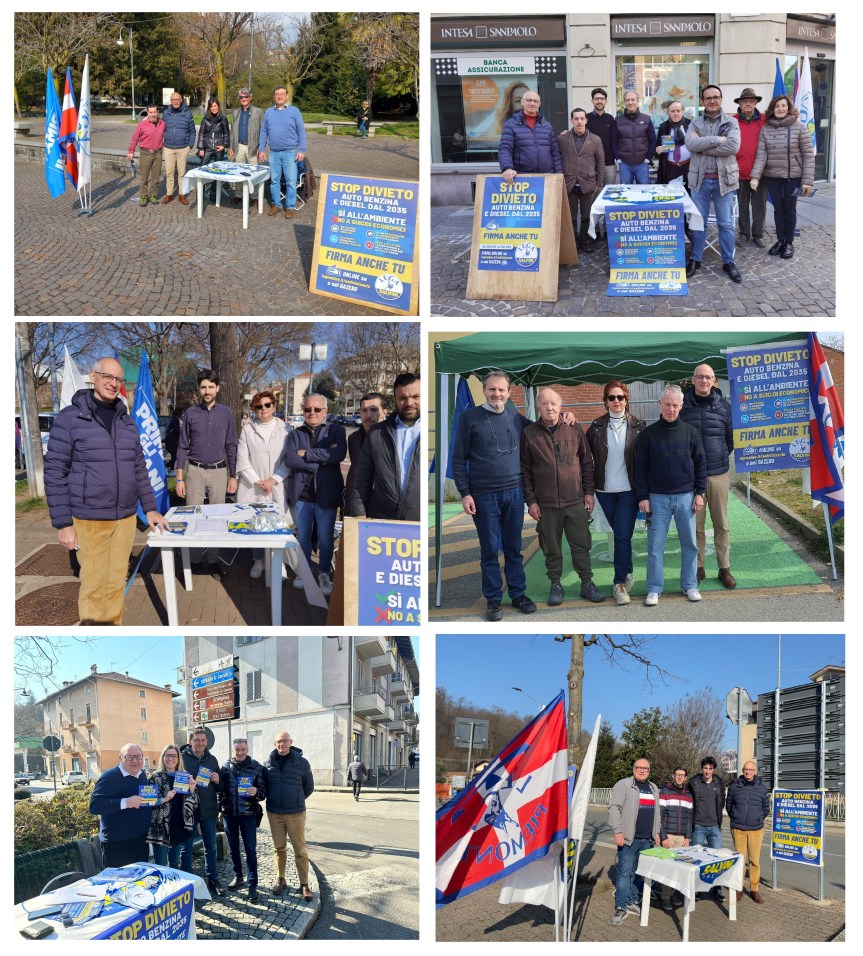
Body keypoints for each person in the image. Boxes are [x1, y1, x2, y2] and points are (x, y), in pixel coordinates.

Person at [44, 357, 169, 625]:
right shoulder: (70, 418)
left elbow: (139, 469)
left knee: (115, 583)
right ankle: (93, 630)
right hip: (89, 520)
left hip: (125, 519)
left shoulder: (127, 422)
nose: (113, 383)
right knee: (93, 586)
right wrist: (64, 524)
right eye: (107, 376)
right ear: (93, 376)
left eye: (118, 379)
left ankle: (113, 628)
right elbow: (54, 472)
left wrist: (150, 509)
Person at [452, 371, 536, 622]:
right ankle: (493, 599)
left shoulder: (516, 417)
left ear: (509, 393)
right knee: (489, 549)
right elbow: (458, 458)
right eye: (492, 389)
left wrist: (565, 416)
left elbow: (544, 429)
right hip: (483, 494)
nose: (496, 394)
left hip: (514, 492)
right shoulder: (470, 418)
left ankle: (518, 594)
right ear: (484, 391)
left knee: (514, 547)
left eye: (501, 390)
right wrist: (465, 493)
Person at [520, 387, 604, 606]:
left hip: (575, 500)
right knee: (551, 547)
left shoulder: (573, 428)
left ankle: (586, 583)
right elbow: (525, 471)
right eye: (544, 403)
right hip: (546, 504)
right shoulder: (529, 433)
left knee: (581, 544)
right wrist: (531, 501)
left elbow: (586, 463)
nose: (549, 407)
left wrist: (589, 492)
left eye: (553, 403)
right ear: (538, 407)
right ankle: (556, 584)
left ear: (560, 406)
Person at [634, 385, 707, 607]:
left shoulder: (691, 432)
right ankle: (654, 588)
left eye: (675, 405)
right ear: (660, 404)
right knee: (655, 547)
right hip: (657, 498)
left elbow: (700, 464)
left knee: (690, 544)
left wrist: (700, 493)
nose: (671, 409)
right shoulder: (648, 435)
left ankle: (690, 585)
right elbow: (639, 469)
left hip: (686, 497)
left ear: (681, 406)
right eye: (667, 404)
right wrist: (643, 496)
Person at [586, 382, 646, 606]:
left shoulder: (639, 426)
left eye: (620, 397)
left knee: (622, 535)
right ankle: (627, 571)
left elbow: (645, 461)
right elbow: (585, 459)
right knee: (621, 536)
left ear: (626, 400)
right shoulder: (595, 427)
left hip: (628, 492)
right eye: (611, 397)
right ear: (605, 401)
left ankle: (619, 583)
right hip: (604, 491)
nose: (616, 401)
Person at [175, 369, 239, 579]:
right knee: (193, 516)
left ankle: (212, 561)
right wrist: (179, 478)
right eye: (203, 387)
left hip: (219, 472)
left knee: (217, 518)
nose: (207, 391)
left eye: (211, 387)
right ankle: (194, 561)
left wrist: (233, 475)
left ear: (217, 388)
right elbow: (182, 446)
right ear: (199, 389)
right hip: (194, 471)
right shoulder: (191, 414)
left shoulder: (226, 413)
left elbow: (231, 445)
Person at [283, 393, 347, 597]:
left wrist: (307, 454)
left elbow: (337, 455)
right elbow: (290, 459)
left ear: (325, 411)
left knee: (326, 538)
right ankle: (304, 571)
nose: (312, 412)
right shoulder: (294, 434)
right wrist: (320, 463)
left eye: (317, 409)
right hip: (302, 496)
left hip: (326, 495)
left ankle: (324, 572)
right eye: (307, 409)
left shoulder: (337, 431)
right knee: (302, 537)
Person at [679, 364, 736, 589]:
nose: (704, 381)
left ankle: (724, 568)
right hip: (692, 478)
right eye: (700, 377)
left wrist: (718, 456)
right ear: (693, 380)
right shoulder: (682, 407)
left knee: (722, 524)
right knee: (696, 526)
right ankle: (699, 567)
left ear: (714, 381)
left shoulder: (724, 407)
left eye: (708, 377)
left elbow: (730, 439)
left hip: (718, 474)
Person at [685, 85, 743, 283]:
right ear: (703, 101)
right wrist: (717, 139)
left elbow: (733, 146)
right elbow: (690, 144)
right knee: (698, 222)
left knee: (726, 223)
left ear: (721, 99)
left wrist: (703, 146)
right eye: (708, 98)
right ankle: (696, 259)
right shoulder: (695, 122)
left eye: (715, 97)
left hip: (724, 180)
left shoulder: (731, 122)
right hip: (699, 181)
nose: (712, 100)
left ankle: (728, 261)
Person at [236, 389, 294, 581]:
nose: (263, 409)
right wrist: (258, 481)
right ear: (254, 409)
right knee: (256, 523)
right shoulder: (247, 430)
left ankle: (278, 562)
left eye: (267, 405)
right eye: (259, 406)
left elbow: (289, 459)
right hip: (253, 486)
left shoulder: (286, 429)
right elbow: (242, 460)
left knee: (279, 523)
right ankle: (259, 560)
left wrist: (273, 479)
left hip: (278, 484)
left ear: (274, 406)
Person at [749, 93, 815, 260]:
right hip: (772, 177)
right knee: (778, 209)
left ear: (789, 108)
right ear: (772, 109)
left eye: (783, 105)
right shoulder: (766, 129)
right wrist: (755, 176)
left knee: (790, 209)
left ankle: (789, 242)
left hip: (793, 177)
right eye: (777, 106)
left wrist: (807, 180)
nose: (780, 109)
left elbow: (808, 155)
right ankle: (780, 240)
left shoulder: (799, 127)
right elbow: (761, 155)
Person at [351, 373, 421, 521]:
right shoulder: (376, 433)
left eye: (416, 396)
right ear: (395, 399)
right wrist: (359, 513)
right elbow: (362, 476)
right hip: (381, 518)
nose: (409, 403)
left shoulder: (434, 429)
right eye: (402, 398)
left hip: (419, 518)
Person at [263, 731, 315, 901]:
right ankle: (281, 879)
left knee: (300, 850)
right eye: (279, 741)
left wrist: (296, 799)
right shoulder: (268, 764)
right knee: (279, 848)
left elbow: (309, 787)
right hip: (274, 813)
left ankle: (304, 884)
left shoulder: (301, 762)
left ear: (291, 742)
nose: (282, 744)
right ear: (275, 744)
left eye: (285, 741)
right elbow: (265, 787)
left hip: (296, 813)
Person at [608, 759, 660, 925]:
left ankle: (631, 901)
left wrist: (657, 832)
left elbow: (657, 813)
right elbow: (614, 808)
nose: (642, 770)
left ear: (649, 771)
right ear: (633, 769)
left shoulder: (653, 788)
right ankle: (621, 907)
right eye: (639, 767)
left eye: (646, 768)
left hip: (647, 840)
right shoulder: (623, 785)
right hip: (628, 838)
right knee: (624, 873)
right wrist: (618, 831)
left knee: (637, 873)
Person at [88, 743, 154, 868]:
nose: (135, 761)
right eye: (129, 757)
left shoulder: (141, 774)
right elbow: (95, 806)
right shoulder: (109, 777)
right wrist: (125, 802)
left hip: (141, 840)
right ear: (120, 758)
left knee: (139, 877)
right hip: (118, 844)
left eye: (138, 756)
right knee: (119, 879)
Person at [219, 738, 267, 901]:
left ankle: (252, 884)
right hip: (229, 814)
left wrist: (257, 792)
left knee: (250, 850)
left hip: (248, 814)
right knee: (233, 849)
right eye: (237, 750)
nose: (240, 753)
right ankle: (238, 876)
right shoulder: (225, 767)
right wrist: (220, 809)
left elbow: (263, 793)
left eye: (243, 749)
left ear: (247, 749)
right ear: (233, 750)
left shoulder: (257, 767)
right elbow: (221, 791)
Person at [180, 728, 224, 896]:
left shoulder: (212, 759)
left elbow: (220, 787)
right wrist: (185, 784)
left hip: (208, 811)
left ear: (207, 742)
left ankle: (212, 879)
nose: (200, 743)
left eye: (203, 740)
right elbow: (175, 785)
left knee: (210, 846)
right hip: (189, 811)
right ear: (190, 741)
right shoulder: (182, 758)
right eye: (196, 740)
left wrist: (218, 780)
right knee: (186, 848)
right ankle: (187, 882)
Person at [558, 108, 605, 253]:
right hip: (569, 182)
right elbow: (556, 158)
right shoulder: (562, 139)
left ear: (586, 120)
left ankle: (584, 240)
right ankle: (574, 241)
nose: (579, 122)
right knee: (571, 217)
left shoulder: (595, 140)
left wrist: (599, 183)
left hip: (588, 182)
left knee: (586, 216)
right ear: (571, 120)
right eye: (576, 119)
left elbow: (600, 162)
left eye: (582, 118)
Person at [258, 85, 307, 220]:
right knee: (274, 181)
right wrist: (261, 149)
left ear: (287, 95)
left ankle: (290, 207)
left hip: (290, 152)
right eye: (277, 94)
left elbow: (301, 131)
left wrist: (302, 150)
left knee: (291, 181)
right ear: (274, 96)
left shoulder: (294, 111)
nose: (279, 96)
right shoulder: (268, 112)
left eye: (282, 94)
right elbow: (264, 132)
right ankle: (276, 204)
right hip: (274, 153)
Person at [147, 744, 199, 869]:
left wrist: (192, 789)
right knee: (160, 864)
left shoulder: (184, 777)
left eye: (174, 756)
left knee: (175, 863)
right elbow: (147, 802)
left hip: (179, 825)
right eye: (167, 755)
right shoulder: (155, 777)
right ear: (163, 757)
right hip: (160, 827)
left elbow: (195, 804)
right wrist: (164, 799)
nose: (171, 758)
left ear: (178, 758)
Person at [725, 761, 771, 904]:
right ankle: (739, 888)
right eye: (746, 769)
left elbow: (765, 808)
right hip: (738, 829)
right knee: (740, 861)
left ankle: (754, 889)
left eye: (751, 770)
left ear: (755, 771)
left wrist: (757, 819)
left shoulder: (761, 788)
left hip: (756, 829)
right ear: (743, 770)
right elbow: (729, 806)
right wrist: (736, 817)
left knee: (754, 860)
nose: (748, 772)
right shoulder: (734, 786)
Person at [498, 89, 562, 185]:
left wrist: (559, 174)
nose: (532, 103)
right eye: (529, 100)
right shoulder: (511, 124)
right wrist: (507, 168)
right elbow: (505, 148)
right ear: (522, 102)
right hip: (522, 178)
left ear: (539, 104)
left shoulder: (546, 125)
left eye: (535, 101)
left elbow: (555, 152)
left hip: (546, 177)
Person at [688, 755, 727, 902]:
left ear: (713, 769)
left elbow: (721, 802)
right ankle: (697, 889)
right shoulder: (694, 783)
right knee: (697, 859)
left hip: (715, 827)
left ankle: (717, 888)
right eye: (705, 768)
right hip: (698, 826)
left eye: (710, 768)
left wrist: (718, 820)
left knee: (717, 860)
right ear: (702, 768)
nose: (707, 771)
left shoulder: (718, 783)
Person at [734, 87, 767, 247]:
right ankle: (744, 233)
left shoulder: (764, 121)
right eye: (745, 101)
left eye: (751, 101)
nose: (748, 104)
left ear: (755, 103)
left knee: (759, 206)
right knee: (742, 206)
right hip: (739, 172)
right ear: (740, 104)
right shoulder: (732, 121)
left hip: (760, 173)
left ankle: (758, 234)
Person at [344, 392, 386, 515]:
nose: (368, 415)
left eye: (374, 410)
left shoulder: (393, 438)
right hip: (356, 502)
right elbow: (355, 469)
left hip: (383, 505)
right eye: (364, 410)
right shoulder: (353, 438)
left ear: (384, 412)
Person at [658, 767, 694, 909]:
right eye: (677, 774)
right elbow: (660, 816)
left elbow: (689, 818)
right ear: (673, 776)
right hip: (668, 836)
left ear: (685, 777)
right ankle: (665, 897)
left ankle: (672, 894)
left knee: (678, 869)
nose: (679, 777)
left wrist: (688, 837)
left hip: (682, 838)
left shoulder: (688, 795)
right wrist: (663, 836)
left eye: (682, 775)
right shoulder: (665, 792)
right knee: (667, 868)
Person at [612, 91, 656, 185]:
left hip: (642, 163)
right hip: (624, 164)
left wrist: (648, 158)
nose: (630, 102)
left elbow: (653, 141)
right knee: (625, 191)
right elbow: (614, 142)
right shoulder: (618, 120)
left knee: (643, 190)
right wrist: (618, 158)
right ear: (624, 102)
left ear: (637, 101)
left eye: (633, 100)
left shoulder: (646, 119)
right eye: (627, 100)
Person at [230, 87, 264, 205]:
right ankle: (239, 194)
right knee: (239, 172)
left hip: (253, 147)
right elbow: (232, 131)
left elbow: (263, 131)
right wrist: (231, 146)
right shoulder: (236, 112)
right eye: (241, 97)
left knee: (253, 173)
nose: (243, 99)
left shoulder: (258, 112)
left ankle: (255, 197)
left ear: (250, 98)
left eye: (246, 97)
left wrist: (261, 147)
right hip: (239, 146)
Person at [161, 90, 196, 205]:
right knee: (169, 172)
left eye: (177, 99)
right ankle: (169, 194)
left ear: (181, 100)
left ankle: (182, 194)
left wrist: (189, 145)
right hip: (168, 147)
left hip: (183, 148)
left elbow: (192, 131)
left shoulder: (187, 114)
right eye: (173, 100)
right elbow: (161, 128)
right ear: (170, 101)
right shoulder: (166, 113)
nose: (176, 101)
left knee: (182, 173)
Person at [127, 104, 165, 207]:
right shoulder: (142, 124)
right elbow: (135, 138)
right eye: (151, 112)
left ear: (158, 112)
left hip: (158, 153)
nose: (153, 114)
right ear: (147, 113)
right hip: (145, 153)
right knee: (144, 177)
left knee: (156, 177)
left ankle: (153, 195)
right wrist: (131, 151)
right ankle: (143, 196)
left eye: (155, 112)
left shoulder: (162, 124)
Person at [196, 97, 230, 202]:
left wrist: (224, 145)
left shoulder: (223, 119)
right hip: (207, 148)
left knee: (217, 172)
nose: (213, 108)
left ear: (218, 106)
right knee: (201, 171)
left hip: (219, 148)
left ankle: (213, 193)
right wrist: (201, 148)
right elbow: (201, 134)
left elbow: (227, 134)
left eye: (215, 106)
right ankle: (200, 194)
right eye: (211, 106)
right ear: (209, 108)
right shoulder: (205, 119)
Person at [586, 88, 617, 187]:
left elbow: (615, 138)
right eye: (596, 99)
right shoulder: (586, 118)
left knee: (609, 191)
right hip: (591, 163)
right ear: (592, 101)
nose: (599, 101)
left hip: (609, 162)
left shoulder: (610, 118)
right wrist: (566, 132)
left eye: (602, 99)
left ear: (606, 101)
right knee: (593, 192)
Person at [655, 100, 691, 186]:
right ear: (668, 113)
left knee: (688, 193)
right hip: (670, 168)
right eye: (673, 111)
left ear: (682, 112)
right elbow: (657, 148)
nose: (676, 114)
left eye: (678, 111)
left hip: (688, 167)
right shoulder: (663, 127)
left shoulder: (691, 125)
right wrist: (657, 150)